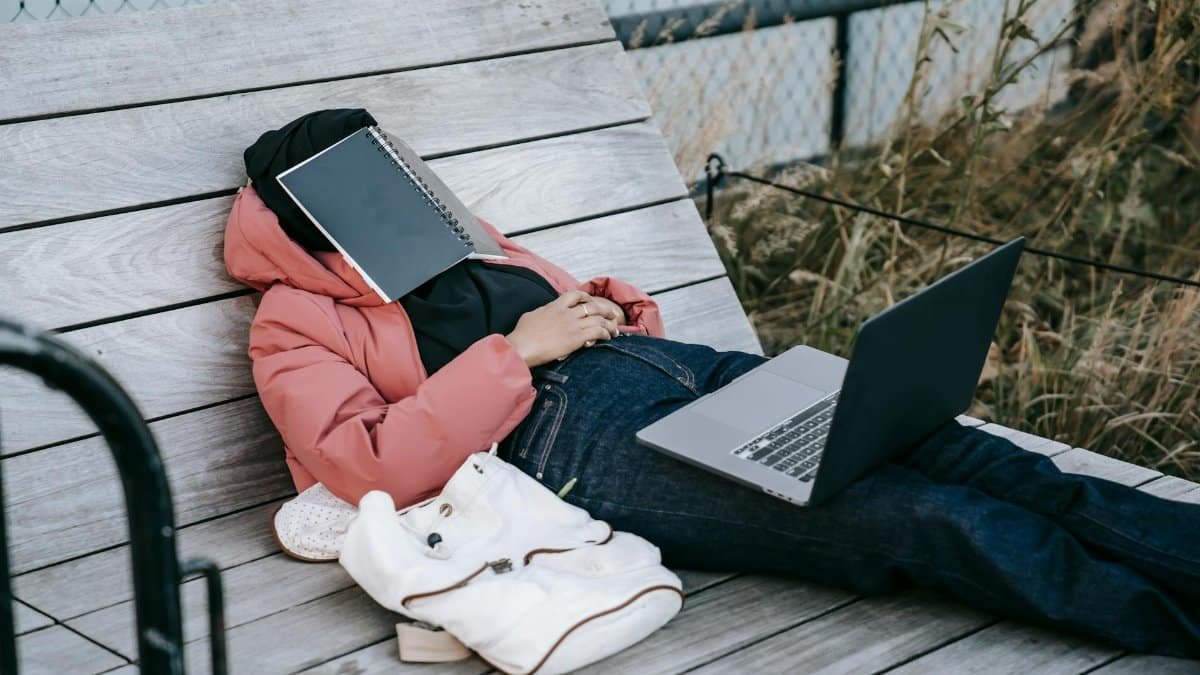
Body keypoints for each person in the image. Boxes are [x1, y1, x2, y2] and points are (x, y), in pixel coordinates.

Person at [226, 109, 1200, 657]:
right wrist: (516, 352)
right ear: (305, 218)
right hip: (564, 445)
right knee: (914, 513)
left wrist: (606, 305)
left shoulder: (453, 238)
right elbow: (365, 470)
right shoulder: (296, 322)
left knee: (962, 447)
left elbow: (556, 305)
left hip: (669, 372)